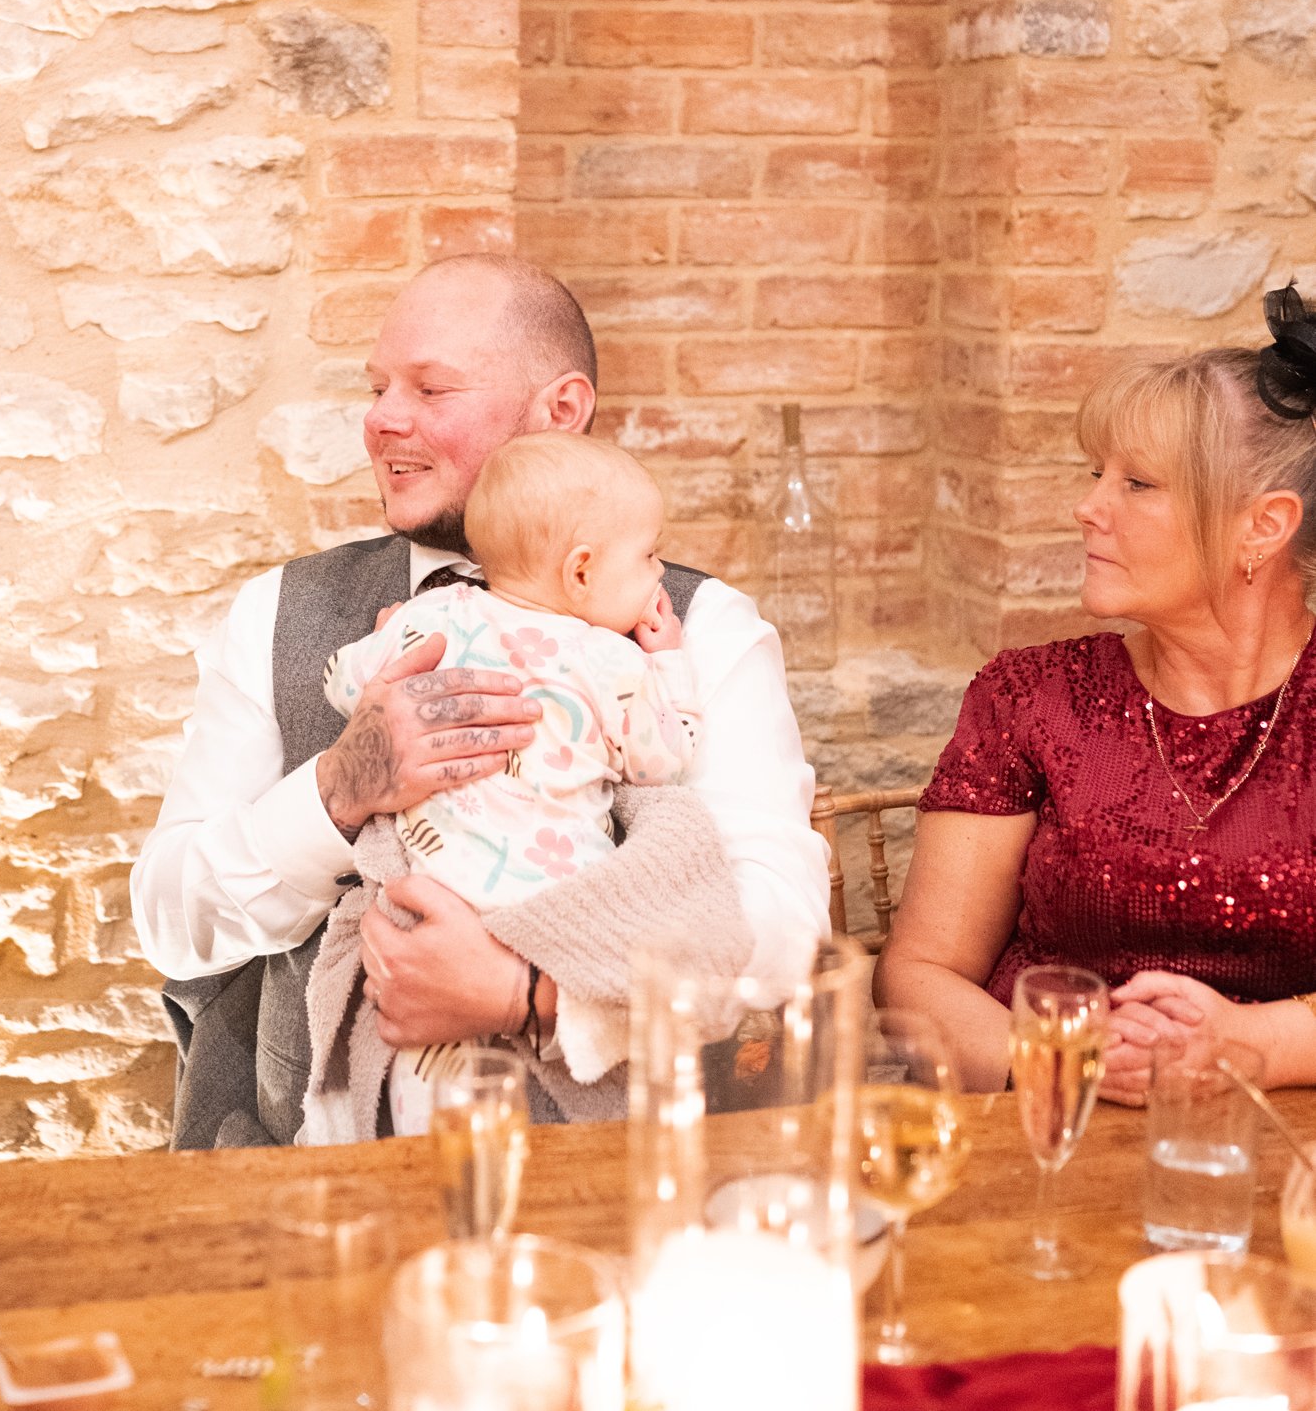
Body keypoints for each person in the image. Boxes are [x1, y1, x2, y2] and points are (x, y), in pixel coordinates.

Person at [131, 252, 830, 1148]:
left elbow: (777, 928)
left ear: (560, 411)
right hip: (311, 1176)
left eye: (431, 389)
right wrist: (338, 791)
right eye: (378, 387)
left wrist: (527, 995)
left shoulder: (699, 631)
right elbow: (170, 923)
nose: (383, 418)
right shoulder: (279, 612)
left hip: (604, 1170)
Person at [878, 287, 1316, 1104]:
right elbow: (916, 976)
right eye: (1095, 474)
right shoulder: (1030, 697)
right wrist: (1060, 1061)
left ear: (1262, 526)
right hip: (1044, 1142)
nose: (1087, 508)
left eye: (1137, 485)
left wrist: (1248, 1042)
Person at [315, 431, 708, 1136]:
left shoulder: (430, 620)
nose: (657, 575)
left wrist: (383, 640)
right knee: (578, 1127)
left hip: (429, 926)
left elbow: (345, 685)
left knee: (427, 1146)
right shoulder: (609, 660)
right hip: (557, 929)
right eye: (648, 555)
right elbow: (665, 760)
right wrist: (669, 663)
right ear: (581, 572)